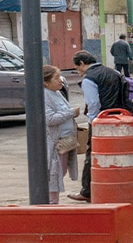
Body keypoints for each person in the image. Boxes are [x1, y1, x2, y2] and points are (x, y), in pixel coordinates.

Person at [67, 50, 125, 203]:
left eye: (77, 67)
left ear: (82, 63)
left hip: (101, 120)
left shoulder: (89, 78)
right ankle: (113, 187)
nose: (78, 71)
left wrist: (93, 121)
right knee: (116, 154)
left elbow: (93, 103)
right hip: (119, 118)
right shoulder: (113, 72)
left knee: (92, 155)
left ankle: (87, 191)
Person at [44, 65, 79, 204]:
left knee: (61, 170)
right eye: (56, 78)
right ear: (46, 82)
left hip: (67, 139)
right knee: (54, 172)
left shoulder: (57, 92)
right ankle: (52, 203)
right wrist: (71, 113)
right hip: (56, 140)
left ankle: (53, 201)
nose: (60, 81)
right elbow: (50, 119)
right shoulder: (45, 95)